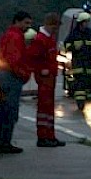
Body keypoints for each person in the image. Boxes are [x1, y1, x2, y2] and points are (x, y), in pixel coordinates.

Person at [0, 10, 33, 154]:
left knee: (5, 110)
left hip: (6, 75)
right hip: (11, 77)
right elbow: (14, 60)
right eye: (26, 23)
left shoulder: (9, 35)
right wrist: (23, 75)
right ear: (17, 21)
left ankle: (1, 142)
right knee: (10, 111)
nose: (28, 26)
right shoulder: (15, 37)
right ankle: (4, 143)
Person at [27, 12, 66, 148]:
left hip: (50, 78)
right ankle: (43, 137)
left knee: (49, 109)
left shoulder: (49, 38)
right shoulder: (40, 39)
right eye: (55, 27)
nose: (56, 31)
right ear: (49, 25)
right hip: (44, 78)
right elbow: (32, 57)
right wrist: (40, 70)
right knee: (44, 108)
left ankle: (50, 136)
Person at [64, 12, 91, 110]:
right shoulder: (74, 34)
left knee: (88, 82)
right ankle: (80, 102)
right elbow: (66, 45)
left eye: (88, 22)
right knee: (79, 82)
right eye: (85, 22)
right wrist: (74, 47)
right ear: (80, 22)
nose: (87, 24)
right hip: (78, 62)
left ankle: (83, 97)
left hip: (89, 62)